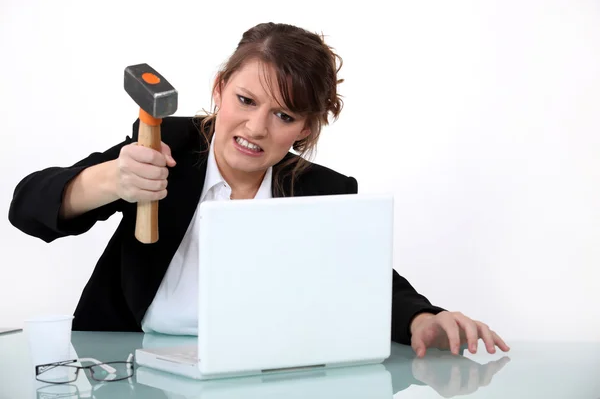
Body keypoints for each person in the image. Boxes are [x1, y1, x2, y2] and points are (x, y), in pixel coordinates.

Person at [8, 22, 509, 358]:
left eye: (284, 115)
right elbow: (26, 207)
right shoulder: (167, 143)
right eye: (245, 99)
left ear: (306, 131)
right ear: (220, 88)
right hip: (131, 367)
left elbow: (369, 278)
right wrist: (108, 180)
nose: (256, 127)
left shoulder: (321, 190)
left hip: (257, 373)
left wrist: (423, 318)